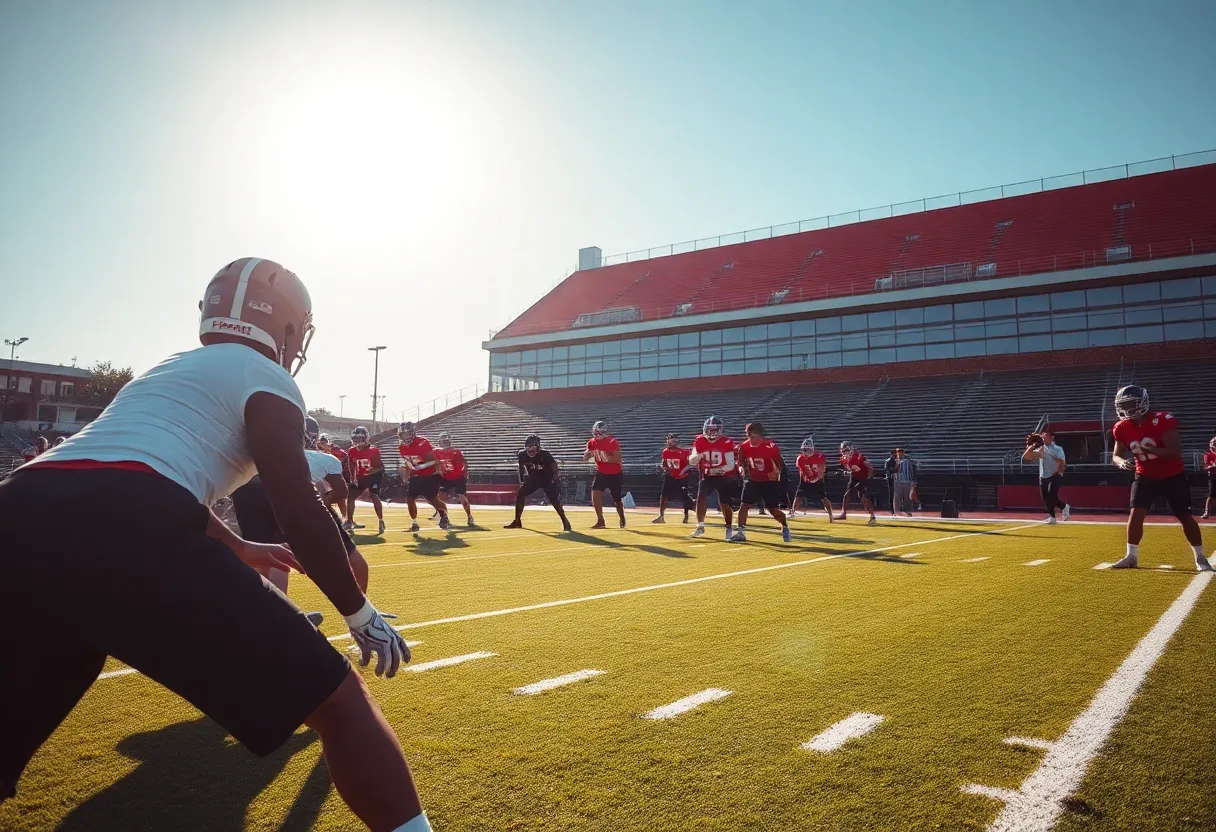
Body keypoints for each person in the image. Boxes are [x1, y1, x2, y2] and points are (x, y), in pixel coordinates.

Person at [0, 258, 430, 831]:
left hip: (19, 509)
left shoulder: (164, 370)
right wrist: (359, 613)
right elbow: (294, 503)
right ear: (286, 326)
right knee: (339, 701)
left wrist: (237, 544)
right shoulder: (267, 376)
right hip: (126, 524)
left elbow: (116, 469)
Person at [231, 416, 369, 600]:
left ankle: (266, 611)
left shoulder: (255, 454)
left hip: (248, 495)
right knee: (347, 555)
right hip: (295, 502)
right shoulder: (323, 458)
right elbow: (341, 491)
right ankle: (363, 615)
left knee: (264, 559)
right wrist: (325, 502)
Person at [1109, 385, 1211, 571]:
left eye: (1131, 403)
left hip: (1172, 476)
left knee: (1185, 516)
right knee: (1135, 514)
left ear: (1142, 402)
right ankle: (1131, 556)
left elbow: (1174, 451)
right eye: (1123, 404)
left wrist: (1152, 450)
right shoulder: (1121, 427)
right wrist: (1121, 462)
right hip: (1144, 475)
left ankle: (1200, 558)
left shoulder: (1162, 419)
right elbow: (1115, 455)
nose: (1127, 408)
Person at [733, 422, 792, 543]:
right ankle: (740, 532)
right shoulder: (744, 447)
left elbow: (781, 465)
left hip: (768, 481)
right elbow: (741, 462)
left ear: (760, 435)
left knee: (773, 510)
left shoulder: (770, 446)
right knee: (744, 506)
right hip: (753, 479)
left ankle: (784, 525)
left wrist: (780, 479)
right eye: (748, 436)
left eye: (752, 436)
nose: (750, 439)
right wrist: (742, 469)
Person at [504, 434, 572, 531]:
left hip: (547, 479)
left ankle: (565, 520)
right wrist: (522, 480)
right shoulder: (522, 454)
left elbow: (554, 466)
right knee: (520, 493)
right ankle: (517, 520)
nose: (531, 451)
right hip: (534, 478)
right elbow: (521, 468)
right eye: (529, 448)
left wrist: (554, 479)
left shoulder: (545, 454)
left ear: (538, 447)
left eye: (534, 448)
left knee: (554, 500)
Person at [689, 415, 739, 539]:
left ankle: (728, 528)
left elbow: (730, 465)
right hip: (707, 475)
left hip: (723, 476)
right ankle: (700, 526)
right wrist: (697, 457)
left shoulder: (726, 442)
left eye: (714, 429)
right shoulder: (700, 440)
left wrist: (717, 469)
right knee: (701, 498)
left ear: (719, 430)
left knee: (724, 503)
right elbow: (692, 461)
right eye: (710, 429)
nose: (712, 432)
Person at [397, 422, 450, 532]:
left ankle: (444, 515)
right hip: (417, 475)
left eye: (407, 434)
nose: (405, 437)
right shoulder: (401, 446)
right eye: (402, 435)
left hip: (431, 474)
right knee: (410, 498)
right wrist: (408, 471)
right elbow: (407, 461)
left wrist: (419, 467)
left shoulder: (423, 443)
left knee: (431, 498)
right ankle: (414, 523)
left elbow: (433, 461)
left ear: (412, 433)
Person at [584, 419, 626, 529]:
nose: (597, 435)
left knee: (616, 498)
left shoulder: (612, 442)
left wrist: (600, 456)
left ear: (604, 432)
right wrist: (588, 455)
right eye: (595, 432)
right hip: (602, 472)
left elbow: (618, 460)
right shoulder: (591, 442)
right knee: (595, 494)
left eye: (599, 432)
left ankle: (622, 517)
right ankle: (600, 520)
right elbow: (586, 457)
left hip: (615, 473)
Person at [1022, 431, 1070, 524]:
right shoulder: (1041, 449)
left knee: (1052, 495)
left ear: (1052, 437)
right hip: (1043, 475)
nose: (1043, 438)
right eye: (1042, 436)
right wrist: (1031, 447)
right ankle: (1056, 513)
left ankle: (1060, 510)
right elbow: (1026, 457)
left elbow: (1062, 462)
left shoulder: (1058, 449)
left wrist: (1059, 472)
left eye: (1045, 436)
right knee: (1045, 497)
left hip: (1055, 474)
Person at [346, 426, 386, 535]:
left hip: (374, 476)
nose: (357, 440)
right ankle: (349, 521)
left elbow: (381, 468)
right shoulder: (352, 451)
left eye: (360, 438)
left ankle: (381, 520)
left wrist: (368, 475)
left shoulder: (373, 450)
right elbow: (351, 465)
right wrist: (352, 477)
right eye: (356, 438)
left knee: (373, 495)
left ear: (366, 438)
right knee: (351, 496)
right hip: (361, 476)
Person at [434, 431, 474, 527]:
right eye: (443, 442)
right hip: (446, 477)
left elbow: (465, 462)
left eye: (446, 442)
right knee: (440, 497)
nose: (445, 444)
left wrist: (465, 471)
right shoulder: (437, 452)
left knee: (462, 497)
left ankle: (469, 516)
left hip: (458, 477)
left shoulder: (456, 452)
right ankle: (444, 517)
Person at [654, 433, 694, 524]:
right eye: (670, 440)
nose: (671, 442)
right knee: (663, 495)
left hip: (681, 477)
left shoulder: (683, 452)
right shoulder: (665, 451)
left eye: (673, 440)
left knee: (684, 497)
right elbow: (664, 464)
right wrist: (662, 468)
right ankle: (661, 516)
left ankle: (686, 516)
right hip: (670, 476)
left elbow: (689, 465)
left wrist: (683, 472)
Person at [790, 437, 833, 522]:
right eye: (804, 450)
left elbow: (822, 470)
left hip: (818, 479)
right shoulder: (800, 458)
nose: (805, 452)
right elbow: (802, 471)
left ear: (812, 448)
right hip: (805, 480)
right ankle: (792, 513)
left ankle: (831, 515)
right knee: (798, 496)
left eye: (807, 449)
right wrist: (806, 479)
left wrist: (816, 478)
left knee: (823, 497)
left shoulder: (819, 456)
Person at [839, 441, 878, 525]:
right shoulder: (844, 458)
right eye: (843, 451)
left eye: (845, 450)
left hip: (864, 477)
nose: (844, 452)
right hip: (854, 477)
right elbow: (849, 468)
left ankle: (872, 516)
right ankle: (843, 513)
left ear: (850, 449)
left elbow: (870, 467)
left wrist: (868, 478)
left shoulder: (858, 456)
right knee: (846, 494)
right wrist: (846, 471)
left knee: (863, 498)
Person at [318, 434, 350, 521]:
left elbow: (344, 455)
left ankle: (345, 519)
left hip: (333, 477)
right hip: (323, 478)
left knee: (341, 498)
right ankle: (331, 518)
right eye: (321, 443)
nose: (323, 445)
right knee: (323, 497)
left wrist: (331, 450)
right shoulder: (317, 452)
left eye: (324, 443)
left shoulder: (334, 450)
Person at [893, 448, 920, 518]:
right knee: (896, 497)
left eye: (900, 453)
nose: (898, 454)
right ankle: (897, 511)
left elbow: (913, 471)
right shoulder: (895, 461)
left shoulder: (908, 461)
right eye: (897, 453)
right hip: (897, 481)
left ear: (903, 453)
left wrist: (913, 482)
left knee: (907, 497)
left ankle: (908, 512)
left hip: (907, 481)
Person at [1203, 437, 1216, 520]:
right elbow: (1205, 467)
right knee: (1211, 495)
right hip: (1213, 476)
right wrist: (1213, 465)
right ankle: (1207, 511)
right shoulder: (1208, 455)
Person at [883, 449, 899, 516]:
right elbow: (888, 471)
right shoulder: (888, 461)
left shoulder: (897, 461)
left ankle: (898, 509)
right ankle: (892, 510)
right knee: (892, 494)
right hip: (891, 479)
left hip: (898, 479)